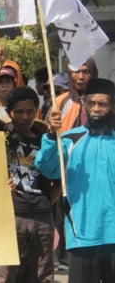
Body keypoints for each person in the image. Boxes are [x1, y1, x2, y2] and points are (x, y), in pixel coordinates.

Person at [0, 50, 55, 283]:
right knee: (6, 276)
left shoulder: (46, 137)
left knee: (41, 275)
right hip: (11, 215)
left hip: (43, 217)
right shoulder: (4, 134)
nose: (25, 116)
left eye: (30, 111)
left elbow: (58, 175)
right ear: (10, 114)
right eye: (20, 112)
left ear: (37, 110)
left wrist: (49, 199)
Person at [35, 78, 115, 282]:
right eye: (92, 104)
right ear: (85, 105)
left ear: (112, 107)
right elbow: (47, 167)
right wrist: (52, 137)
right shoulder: (69, 138)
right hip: (81, 237)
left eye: (102, 104)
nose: (96, 109)